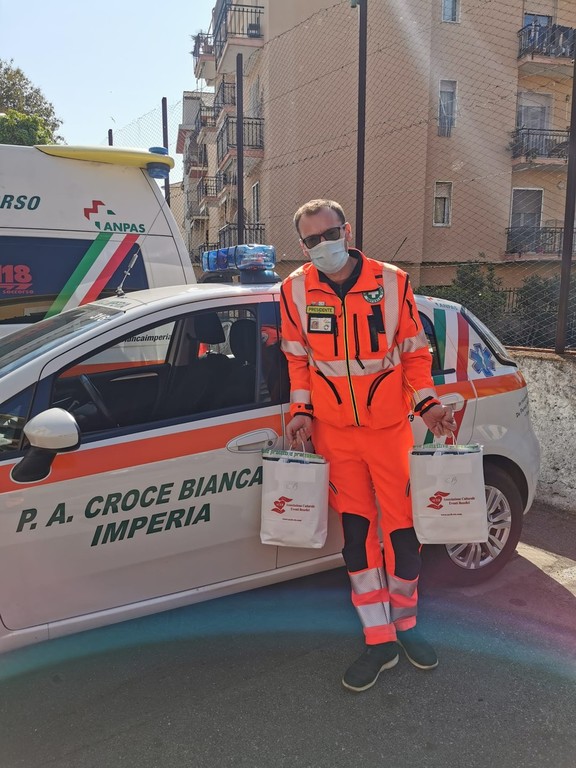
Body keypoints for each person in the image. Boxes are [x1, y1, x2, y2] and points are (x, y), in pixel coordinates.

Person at [280, 199, 456, 693]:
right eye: (312, 239)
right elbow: (297, 361)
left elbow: (414, 354)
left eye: (330, 233)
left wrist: (428, 405)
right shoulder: (294, 290)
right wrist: (300, 411)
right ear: (302, 246)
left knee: (403, 536)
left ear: (348, 230)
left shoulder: (393, 282)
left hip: (389, 431)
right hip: (334, 436)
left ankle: (407, 625)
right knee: (357, 538)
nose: (323, 244)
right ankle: (378, 639)